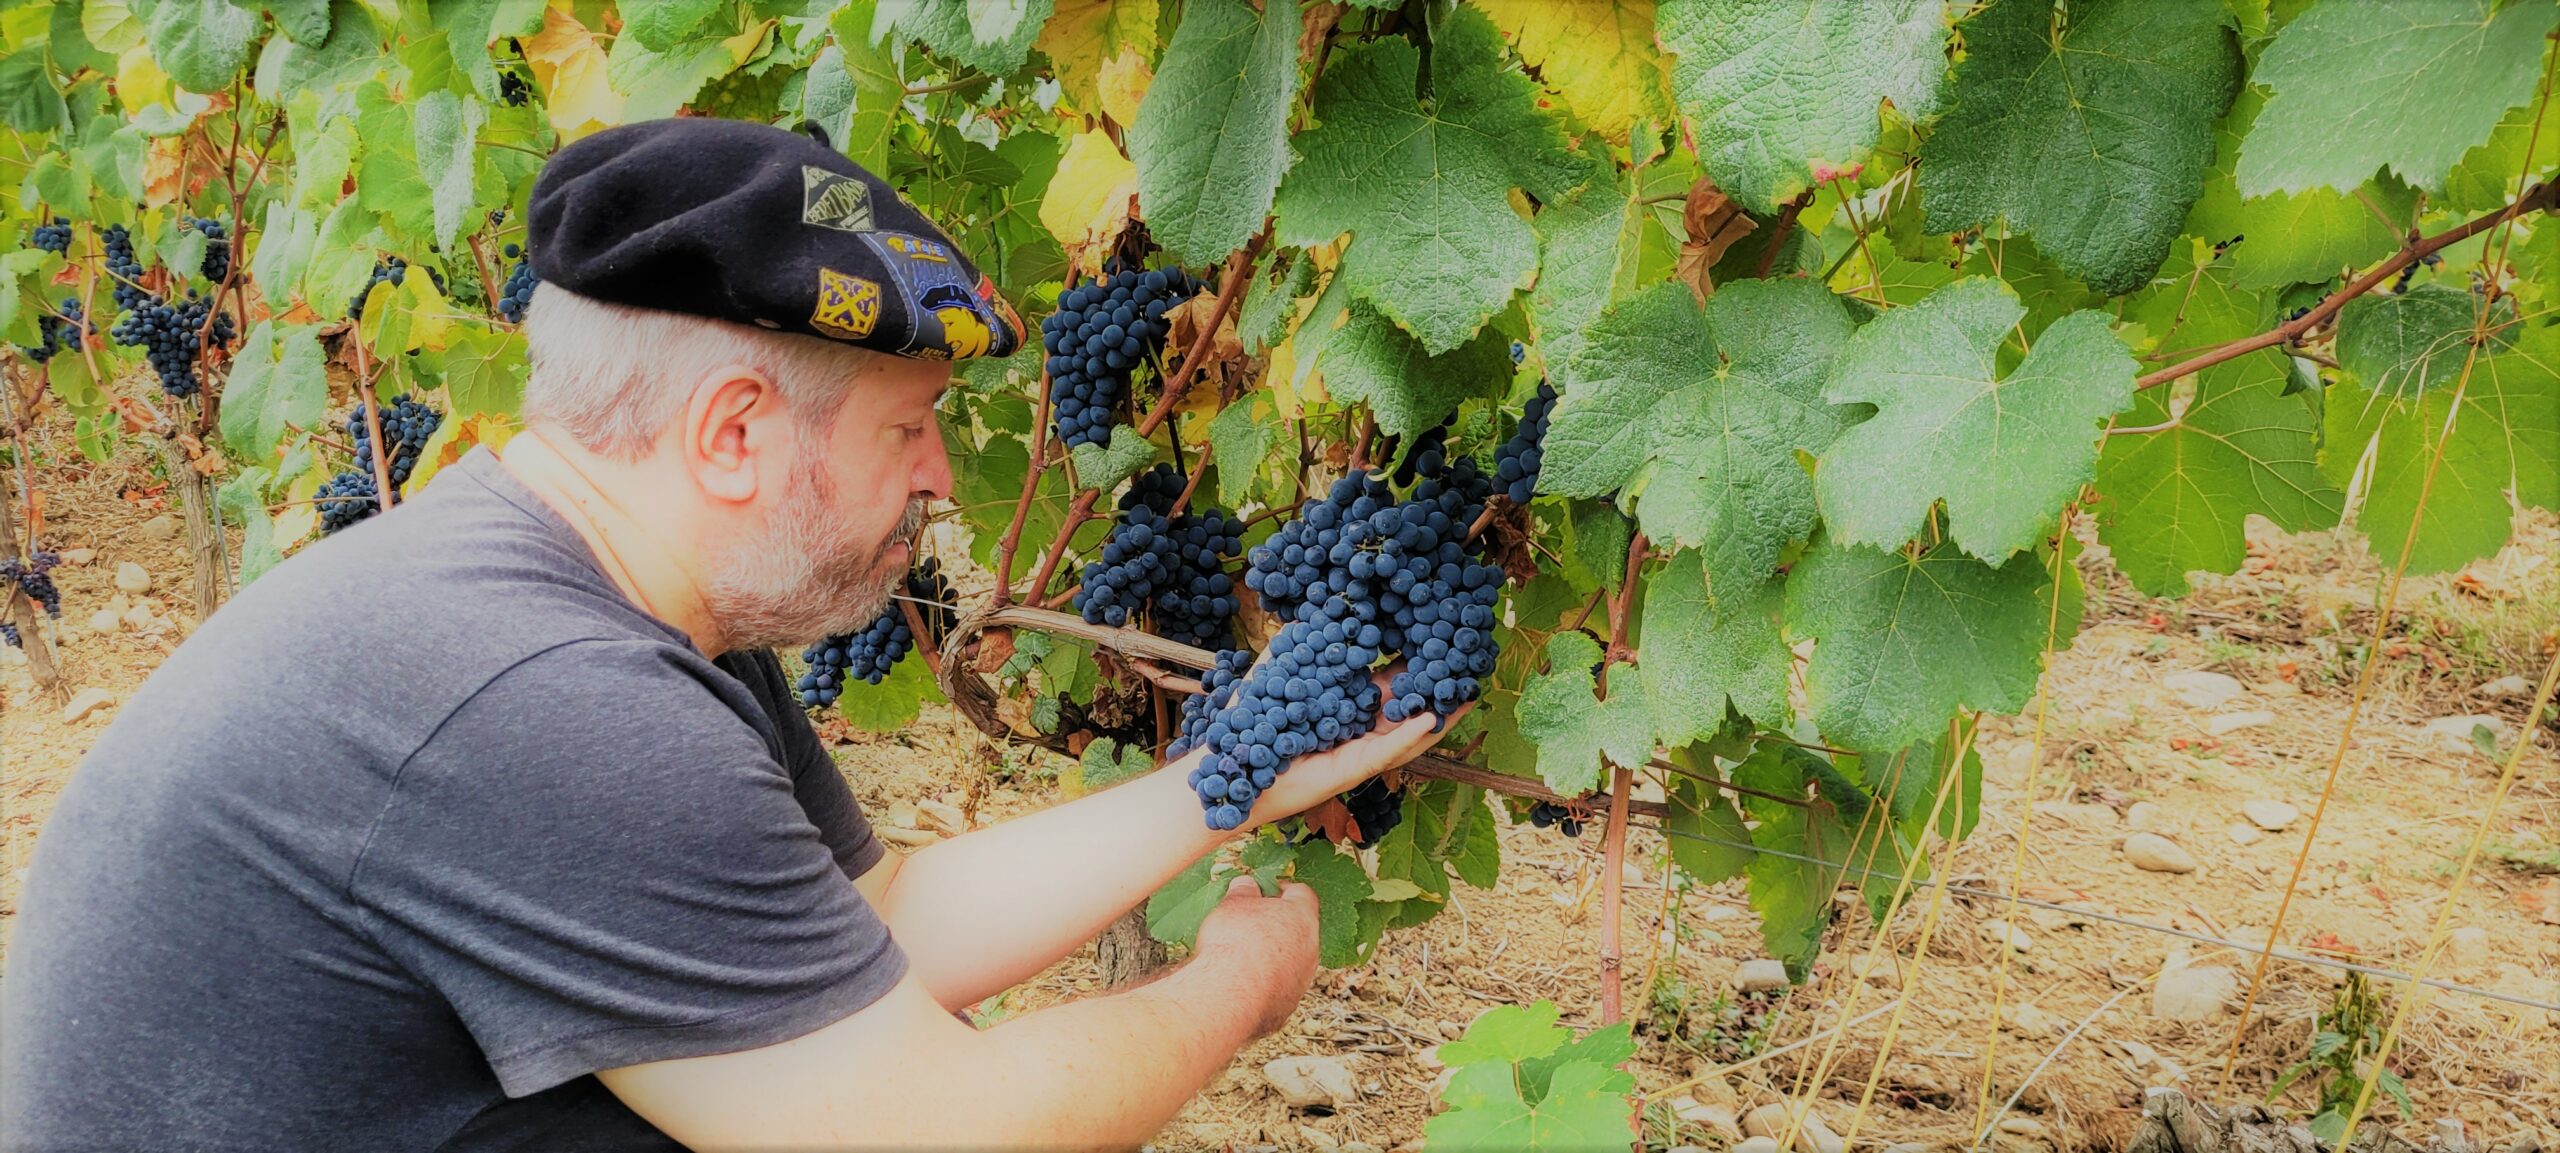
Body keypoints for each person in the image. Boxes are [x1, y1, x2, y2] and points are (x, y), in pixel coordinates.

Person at [0, 119, 1451, 1151]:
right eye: (911, 427)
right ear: (736, 434)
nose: (945, 474)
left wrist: (1235, 778)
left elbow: (883, 924)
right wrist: (1239, 982)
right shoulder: (555, 705)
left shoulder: (616, 600)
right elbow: (954, 1128)